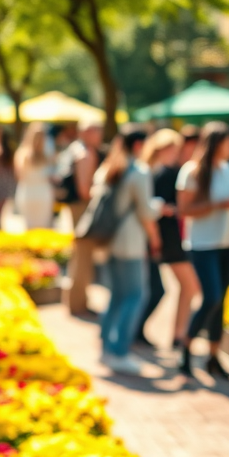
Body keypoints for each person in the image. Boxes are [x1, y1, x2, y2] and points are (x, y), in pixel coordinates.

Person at [176, 122, 229, 380]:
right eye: (227, 142)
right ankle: (187, 345)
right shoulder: (191, 171)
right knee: (211, 297)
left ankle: (214, 356)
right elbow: (185, 210)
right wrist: (216, 205)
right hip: (203, 244)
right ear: (216, 143)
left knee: (222, 300)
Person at [92, 129, 160, 375]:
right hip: (130, 242)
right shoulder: (138, 171)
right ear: (139, 144)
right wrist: (155, 237)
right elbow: (146, 212)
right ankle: (119, 351)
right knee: (135, 295)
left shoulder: (108, 168)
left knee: (117, 295)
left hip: (107, 240)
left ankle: (107, 348)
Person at [135, 129, 199, 351]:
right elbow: (153, 208)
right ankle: (176, 334)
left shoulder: (153, 171)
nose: (176, 152)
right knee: (180, 287)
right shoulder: (164, 173)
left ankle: (176, 334)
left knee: (173, 288)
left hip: (163, 238)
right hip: (166, 239)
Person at [59, 120, 103, 316]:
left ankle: (77, 300)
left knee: (79, 254)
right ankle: (78, 303)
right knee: (83, 256)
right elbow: (85, 190)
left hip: (75, 207)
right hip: (82, 208)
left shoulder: (75, 149)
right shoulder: (85, 153)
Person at [14, 122, 55, 231]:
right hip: (35, 193)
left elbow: (19, 175)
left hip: (34, 193)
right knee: (40, 227)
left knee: (35, 227)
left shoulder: (23, 153)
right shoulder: (25, 154)